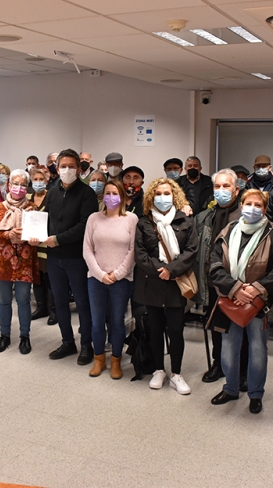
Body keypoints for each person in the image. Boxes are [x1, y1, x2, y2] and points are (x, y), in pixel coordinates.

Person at [207, 189, 273, 413]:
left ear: (264, 209)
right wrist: (235, 288)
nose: (253, 208)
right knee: (229, 348)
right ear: (241, 206)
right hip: (230, 299)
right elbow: (213, 264)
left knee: (258, 349)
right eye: (248, 203)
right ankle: (230, 389)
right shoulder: (228, 230)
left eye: (258, 205)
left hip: (258, 302)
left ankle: (255, 394)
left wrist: (254, 289)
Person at [30, 149, 98, 364]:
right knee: (59, 302)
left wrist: (57, 239)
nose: (67, 170)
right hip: (54, 257)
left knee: (82, 303)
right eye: (63, 166)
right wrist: (35, 235)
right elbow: (44, 218)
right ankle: (67, 342)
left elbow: (84, 225)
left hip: (76, 257)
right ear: (56, 169)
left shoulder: (87, 194)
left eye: (71, 166)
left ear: (78, 168)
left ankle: (86, 344)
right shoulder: (52, 192)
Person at [134, 177, 198, 395]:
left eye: (167, 193)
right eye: (158, 194)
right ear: (152, 196)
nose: (163, 197)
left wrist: (171, 269)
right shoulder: (144, 222)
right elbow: (140, 254)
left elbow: (191, 251)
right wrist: (159, 269)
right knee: (155, 329)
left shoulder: (186, 221)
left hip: (175, 283)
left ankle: (176, 374)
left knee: (176, 330)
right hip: (151, 282)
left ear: (175, 196)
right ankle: (159, 370)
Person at [84, 180, 137, 379]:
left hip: (121, 280)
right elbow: (87, 249)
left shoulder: (131, 219)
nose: (111, 197)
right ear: (102, 196)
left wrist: (117, 274)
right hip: (96, 279)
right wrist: (100, 274)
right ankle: (99, 360)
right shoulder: (93, 219)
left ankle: (116, 360)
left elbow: (133, 251)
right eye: (107, 193)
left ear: (122, 196)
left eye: (115, 193)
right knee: (97, 322)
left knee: (117, 321)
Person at [194, 169, 242, 384]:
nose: (221, 190)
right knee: (217, 326)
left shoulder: (245, 214)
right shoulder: (206, 217)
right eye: (217, 186)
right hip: (213, 281)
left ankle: (241, 370)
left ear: (236, 189)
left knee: (241, 328)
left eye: (226, 186)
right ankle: (219, 364)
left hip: (239, 283)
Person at [0, 169, 39, 354]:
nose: (19, 188)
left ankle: (25, 337)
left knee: (24, 300)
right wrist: (8, 234)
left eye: (23, 185)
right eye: (15, 184)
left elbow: (38, 234)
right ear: (9, 185)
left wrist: (33, 238)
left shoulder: (32, 209)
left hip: (24, 261)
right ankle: (4, 336)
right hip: (1, 262)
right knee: (4, 301)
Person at [28, 168, 56, 325]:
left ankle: (53, 310)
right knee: (36, 276)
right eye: (35, 179)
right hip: (32, 244)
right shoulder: (28, 197)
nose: (38, 182)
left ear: (46, 181)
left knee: (50, 278)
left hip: (47, 243)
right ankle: (40, 307)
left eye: (41, 179)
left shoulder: (51, 196)